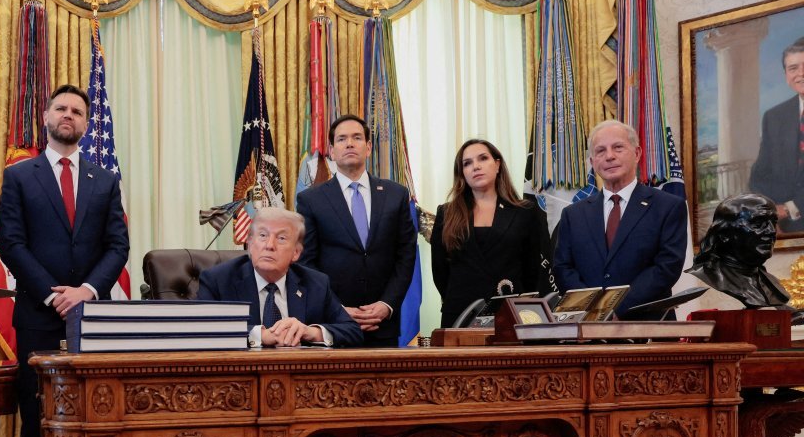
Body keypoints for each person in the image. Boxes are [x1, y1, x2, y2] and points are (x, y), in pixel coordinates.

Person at [0, 84, 130, 437]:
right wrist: (54, 295)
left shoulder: (104, 180)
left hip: (92, 318)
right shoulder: (19, 176)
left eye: (77, 110)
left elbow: (118, 245)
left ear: (86, 123)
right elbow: (11, 243)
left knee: (96, 419)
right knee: (37, 422)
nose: (68, 115)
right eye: (60, 108)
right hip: (39, 314)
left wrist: (87, 291)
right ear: (46, 117)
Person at [297, 115, 417, 347]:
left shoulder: (396, 194)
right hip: (332, 325)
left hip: (383, 324)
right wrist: (337, 308)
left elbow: (406, 255)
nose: (350, 143)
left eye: (357, 138)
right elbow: (306, 263)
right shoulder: (311, 200)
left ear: (368, 147)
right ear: (332, 151)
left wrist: (387, 304)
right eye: (342, 139)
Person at [553, 120, 687, 317]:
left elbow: (667, 267)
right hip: (589, 326)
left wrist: (614, 308)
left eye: (618, 147)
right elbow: (563, 268)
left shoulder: (668, 207)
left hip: (648, 325)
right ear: (592, 162)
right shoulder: (573, 215)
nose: (609, 156)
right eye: (601, 151)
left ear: (637, 153)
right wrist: (593, 310)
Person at [197, 207, 363, 348]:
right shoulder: (218, 280)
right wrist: (259, 335)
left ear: (296, 252)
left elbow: (353, 331)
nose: (270, 245)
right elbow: (201, 329)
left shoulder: (316, 283)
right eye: (263, 235)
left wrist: (310, 332)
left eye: (281, 238)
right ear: (250, 244)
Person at [431, 139, 553, 327]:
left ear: (497, 165)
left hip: (510, 312)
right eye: (467, 163)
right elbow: (440, 272)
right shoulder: (446, 213)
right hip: (460, 313)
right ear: (462, 173)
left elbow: (533, 271)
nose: (476, 166)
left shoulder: (525, 212)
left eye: (483, 158)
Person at [686, 192, 795, 311]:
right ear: (724, 234)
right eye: (758, 224)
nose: (772, 231)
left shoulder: (773, 284)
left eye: (773, 223)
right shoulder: (708, 276)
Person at [748, 36, 804, 235]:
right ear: (786, 75)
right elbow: (759, 175)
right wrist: (769, 214)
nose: (801, 73)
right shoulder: (774, 117)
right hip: (782, 228)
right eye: (793, 68)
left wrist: (790, 208)